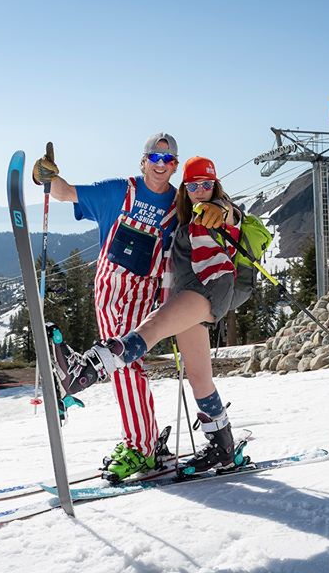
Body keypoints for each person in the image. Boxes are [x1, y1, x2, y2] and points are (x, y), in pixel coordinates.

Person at [60, 156, 253, 474]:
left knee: (152, 328)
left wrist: (223, 209)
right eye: (194, 186)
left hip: (207, 292)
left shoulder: (215, 210)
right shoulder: (184, 218)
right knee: (199, 376)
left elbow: (230, 215)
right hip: (188, 294)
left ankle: (88, 368)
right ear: (185, 188)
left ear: (215, 185)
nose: (201, 191)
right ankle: (223, 447)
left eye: (207, 184)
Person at [32, 132, 180, 480]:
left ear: (175, 166)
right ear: (143, 160)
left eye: (169, 160)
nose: (161, 165)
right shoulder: (119, 191)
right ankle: (143, 439)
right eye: (154, 158)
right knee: (124, 366)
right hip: (108, 291)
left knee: (124, 362)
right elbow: (66, 192)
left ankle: (141, 447)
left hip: (145, 294)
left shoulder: (179, 205)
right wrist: (45, 176)